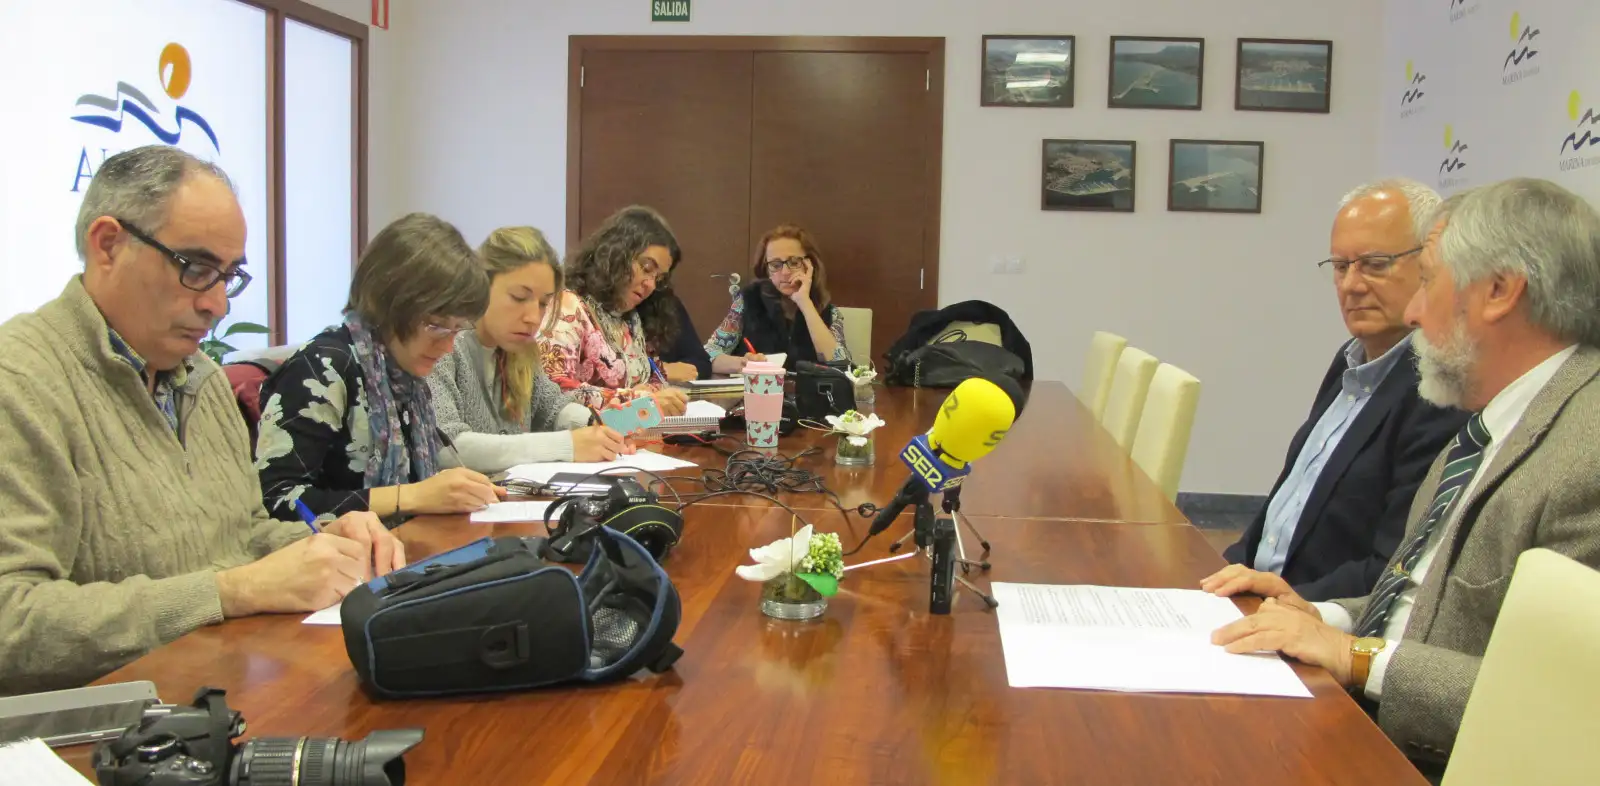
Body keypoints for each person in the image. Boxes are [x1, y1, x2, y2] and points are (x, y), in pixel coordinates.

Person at [1206, 178, 1600, 775]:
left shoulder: (1585, 453)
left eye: (1429, 282)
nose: (1414, 311)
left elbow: (1557, 699)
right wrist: (1326, 617)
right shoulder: (1495, 418)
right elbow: (1422, 597)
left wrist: (1354, 656)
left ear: (1498, 292)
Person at [0, 145, 404, 693]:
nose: (218, 304)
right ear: (108, 245)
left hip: (217, 692)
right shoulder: (19, 384)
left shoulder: (201, 380)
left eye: (229, 275)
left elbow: (240, 534)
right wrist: (230, 591)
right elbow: (12, 621)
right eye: (195, 268)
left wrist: (329, 543)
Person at [1220, 180, 1468, 601]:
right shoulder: (1350, 360)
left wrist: (1283, 603)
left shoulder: (1440, 390)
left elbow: (1394, 570)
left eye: (1374, 264)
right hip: (1252, 599)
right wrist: (1229, 569)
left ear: (1430, 264)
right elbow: (1289, 503)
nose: (1351, 285)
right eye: (1340, 266)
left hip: (1311, 621)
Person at [255, 213, 506, 523]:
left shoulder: (403, 377)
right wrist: (412, 497)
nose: (447, 346)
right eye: (437, 326)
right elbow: (275, 501)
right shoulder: (323, 369)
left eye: (457, 329)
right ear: (390, 303)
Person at [427, 226, 633, 471]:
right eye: (518, 297)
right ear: (481, 285)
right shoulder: (443, 347)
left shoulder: (520, 349)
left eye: (544, 303)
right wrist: (566, 446)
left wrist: (598, 427)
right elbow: (447, 449)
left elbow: (552, 407)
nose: (533, 317)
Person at [538, 205, 689, 415]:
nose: (651, 284)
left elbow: (656, 380)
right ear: (617, 254)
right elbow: (553, 391)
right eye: (646, 268)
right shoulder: (568, 308)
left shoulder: (633, 319)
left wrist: (658, 396)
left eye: (659, 278)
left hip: (632, 440)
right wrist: (636, 399)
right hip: (582, 440)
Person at [704, 224, 851, 374]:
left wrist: (805, 303)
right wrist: (744, 364)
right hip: (757, 394)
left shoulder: (828, 311)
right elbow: (707, 354)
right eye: (775, 265)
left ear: (810, 266)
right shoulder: (749, 301)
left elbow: (842, 366)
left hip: (807, 395)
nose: (785, 272)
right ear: (767, 270)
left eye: (794, 262)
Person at [656, 293, 712, 382]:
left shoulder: (667, 304)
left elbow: (701, 362)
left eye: (654, 278)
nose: (649, 284)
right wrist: (656, 372)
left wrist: (676, 371)